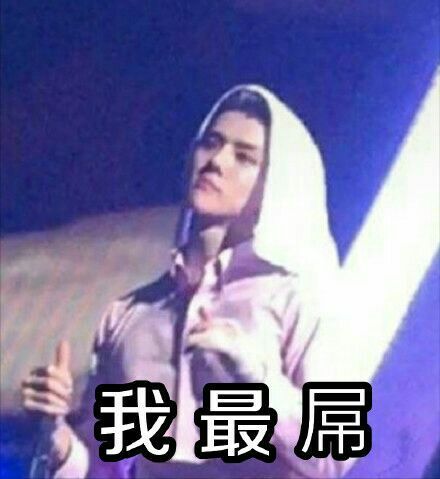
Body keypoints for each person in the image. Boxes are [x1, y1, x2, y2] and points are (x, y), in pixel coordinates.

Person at [21, 85, 353, 478]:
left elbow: (334, 455)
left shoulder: (298, 298)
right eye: (211, 143)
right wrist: (56, 434)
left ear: (274, 184)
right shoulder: (129, 314)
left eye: (244, 157)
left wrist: (257, 380)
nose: (217, 161)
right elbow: (103, 466)